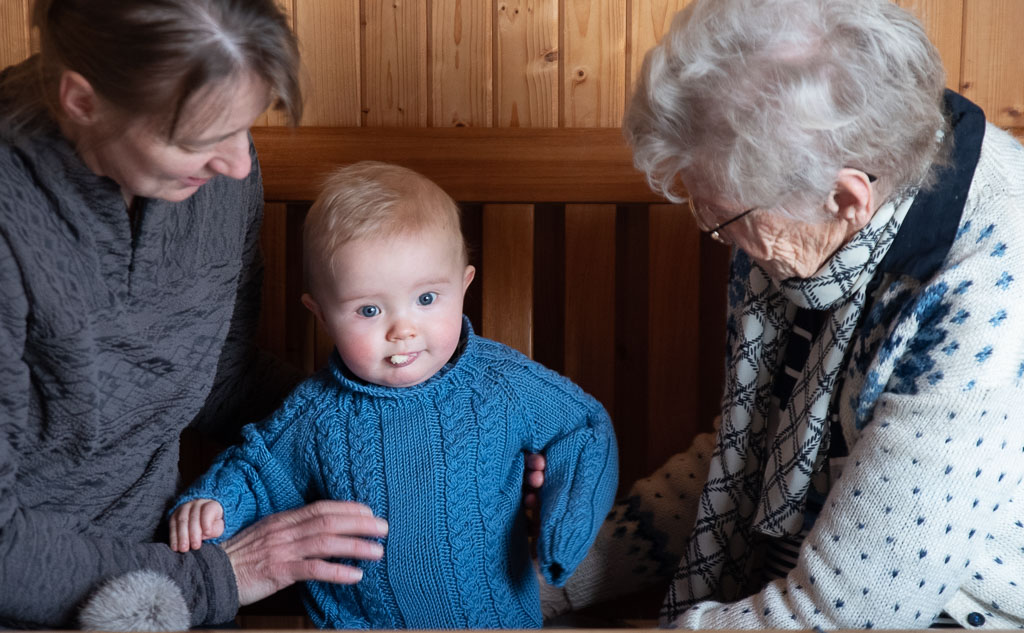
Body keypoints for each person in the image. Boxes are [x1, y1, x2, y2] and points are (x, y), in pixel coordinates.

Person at [538, 0, 1024, 628]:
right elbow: (741, 461)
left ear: (847, 197)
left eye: (725, 217)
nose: (713, 231)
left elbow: (849, 614)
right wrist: (549, 580)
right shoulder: (813, 219)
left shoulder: (989, 293)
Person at [0, 1, 389, 628]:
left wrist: (409, 424)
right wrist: (223, 576)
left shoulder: (218, 183)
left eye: (246, 127)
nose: (239, 165)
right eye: (201, 139)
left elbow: (221, 377)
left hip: (167, 573)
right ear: (81, 100)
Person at [168, 161, 619, 629]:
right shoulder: (316, 412)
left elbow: (583, 425)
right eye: (368, 309)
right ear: (321, 315)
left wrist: (565, 526)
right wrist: (213, 504)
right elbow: (257, 471)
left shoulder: (501, 382)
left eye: (426, 299)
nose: (403, 330)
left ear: (464, 286)